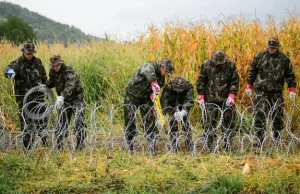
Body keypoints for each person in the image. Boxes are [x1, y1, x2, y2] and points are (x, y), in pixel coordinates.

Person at [246, 37, 297, 145]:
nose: (271, 49)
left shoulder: (284, 58)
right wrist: (249, 86)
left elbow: (290, 75)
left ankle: (276, 139)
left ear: (277, 47)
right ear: (267, 46)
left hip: (276, 91)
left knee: (277, 115)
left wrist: (292, 89)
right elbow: (252, 71)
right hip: (261, 91)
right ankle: (259, 139)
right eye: (270, 47)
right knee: (260, 113)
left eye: (274, 48)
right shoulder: (260, 56)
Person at [3, 40, 48, 149]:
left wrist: (45, 87)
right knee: (26, 122)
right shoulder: (18, 62)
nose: (29, 55)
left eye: (31, 53)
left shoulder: (38, 62)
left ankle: (44, 141)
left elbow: (43, 76)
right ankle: (28, 146)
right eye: (27, 53)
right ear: (24, 52)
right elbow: (5, 70)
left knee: (41, 119)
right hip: (23, 98)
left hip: (38, 96)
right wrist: (10, 73)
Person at [124, 59, 174, 153]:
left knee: (150, 119)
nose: (166, 73)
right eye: (166, 71)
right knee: (130, 119)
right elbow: (148, 72)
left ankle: (152, 144)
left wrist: (153, 94)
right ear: (161, 66)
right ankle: (129, 145)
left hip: (146, 97)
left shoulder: (161, 77)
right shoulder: (150, 66)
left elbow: (159, 86)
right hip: (132, 94)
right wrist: (154, 83)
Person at [196, 49, 239, 152]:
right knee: (209, 121)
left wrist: (232, 96)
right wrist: (201, 96)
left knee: (228, 121)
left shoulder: (230, 65)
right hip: (210, 98)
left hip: (226, 98)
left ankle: (228, 143)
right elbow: (201, 80)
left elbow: (235, 81)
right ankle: (209, 144)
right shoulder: (206, 64)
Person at [46, 54, 86, 151]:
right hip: (63, 100)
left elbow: (70, 86)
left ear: (61, 63)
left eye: (57, 65)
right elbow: (51, 83)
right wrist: (43, 85)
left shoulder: (69, 71)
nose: (55, 67)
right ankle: (59, 146)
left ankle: (80, 146)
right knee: (62, 122)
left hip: (76, 98)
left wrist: (62, 96)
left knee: (78, 121)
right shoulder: (52, 71)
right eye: (53, 65)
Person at [160, 76, 194, 152]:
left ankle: (189, 143)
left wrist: (183, 112)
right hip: (172, 106)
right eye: (176, 90)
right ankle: (173, 144)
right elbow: (164, 99)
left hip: (183, 106)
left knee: (186, 125)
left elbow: (190, 100)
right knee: (173, 125)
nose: (178, 91)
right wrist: (165, 112)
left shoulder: (189, 85)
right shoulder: (169, 85)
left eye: (181, 90)